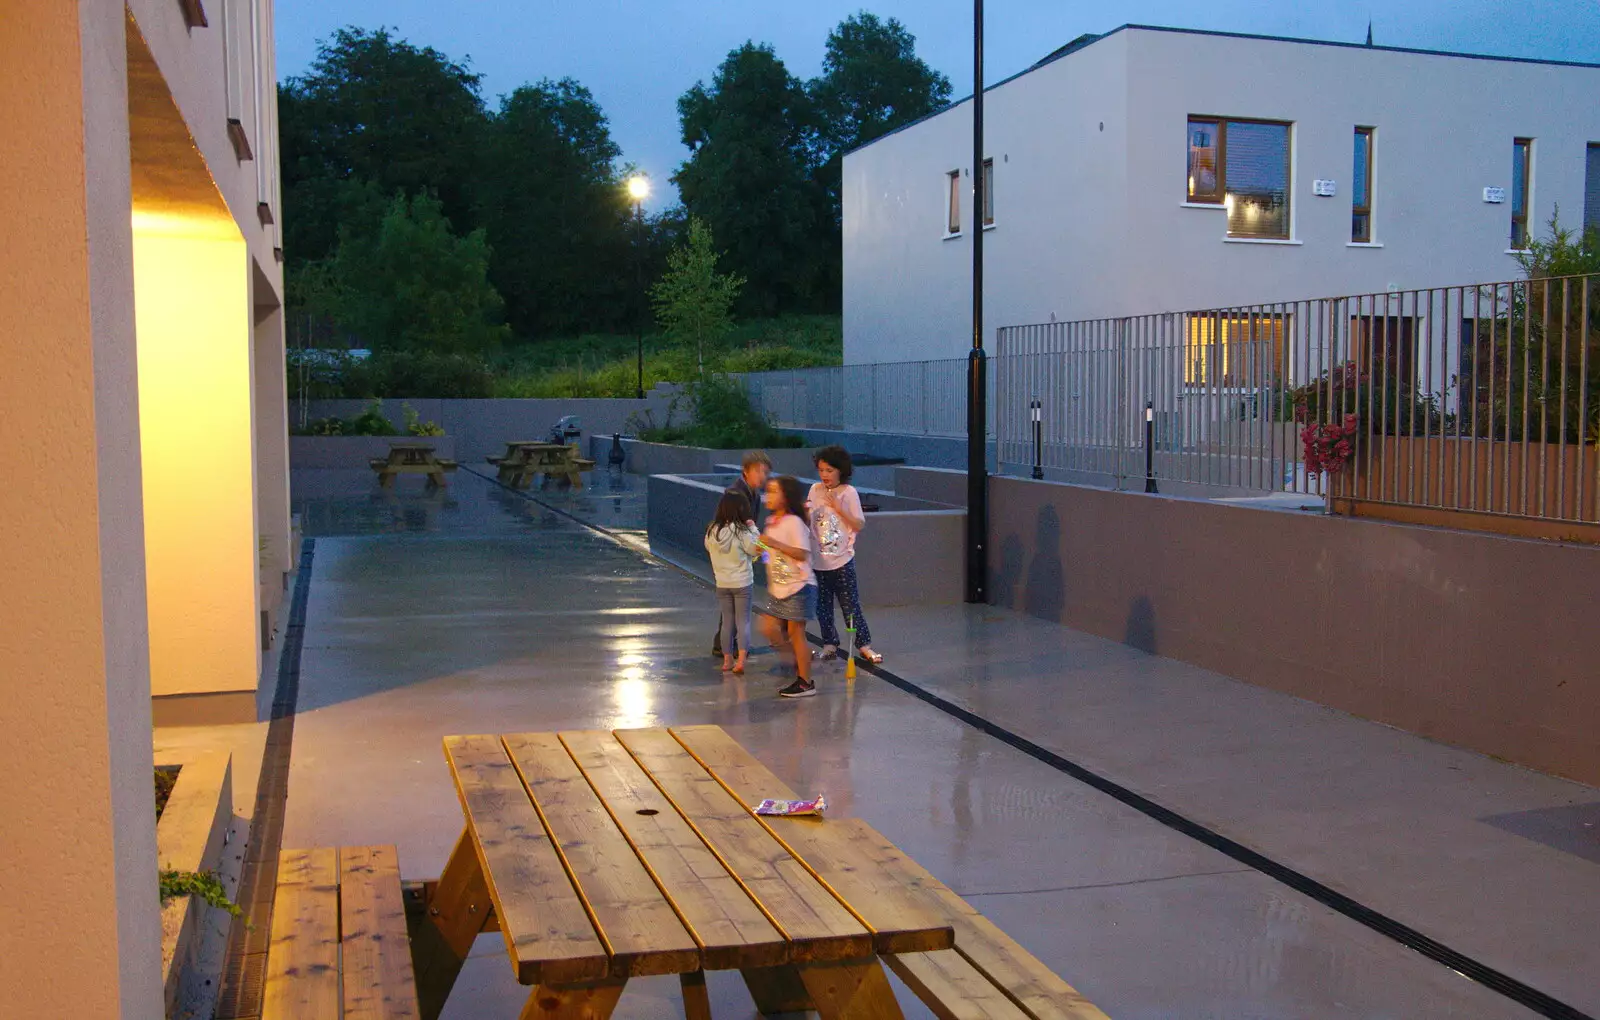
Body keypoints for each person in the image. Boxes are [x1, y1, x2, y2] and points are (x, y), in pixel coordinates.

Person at [808, 446, 883, 664]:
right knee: (822, 606)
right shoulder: (814, 490)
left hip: (841, 559)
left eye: (829, 470)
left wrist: (838, 508)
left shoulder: (848, 492)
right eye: (821, 470)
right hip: (818, 559)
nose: (825, 475)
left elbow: (859, 522)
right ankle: (829, 643)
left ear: (841, 471)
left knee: (850, 605)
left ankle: (864, 644)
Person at [757, 475, 817, 698]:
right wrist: (762, 551)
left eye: (774, 491)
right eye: (768, 491)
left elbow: (802, 553)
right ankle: (798, 662)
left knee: (795, 631)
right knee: (768, 628)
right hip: (779, 587)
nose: (768, 496)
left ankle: (805, 681)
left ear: (787, 496)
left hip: (799, 585)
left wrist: (773, 544)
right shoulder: (772, 522)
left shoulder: (794, 522)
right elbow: (769, 556)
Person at [711, 451, 772, 658]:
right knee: (735, 609)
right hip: (736, 557)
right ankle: (726, 645)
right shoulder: (738, 493)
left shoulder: (752, 492)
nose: (762, 476)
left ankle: (725, 644)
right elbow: (744, 525)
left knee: (731, 608)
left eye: (765, 472)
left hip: (738, 557)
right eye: (758, 471)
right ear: (746, 471)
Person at [704, 491, 761, 675]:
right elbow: (754, 549)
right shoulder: (741, 531)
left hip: (722, 583)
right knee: (742, 622)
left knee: (727, 622)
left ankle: (727, 660)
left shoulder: (712, 530)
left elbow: (708, 548)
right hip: (743, 582)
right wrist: (753, 528)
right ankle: (741, 660)